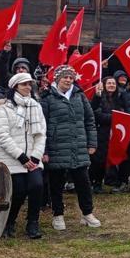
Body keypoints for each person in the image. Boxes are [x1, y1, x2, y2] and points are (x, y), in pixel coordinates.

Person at [40, 65, 100, 230]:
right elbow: (41, 126)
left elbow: (89, 120)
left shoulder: (80, 96)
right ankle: (58, 215)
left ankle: (87, 214)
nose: (68, 80)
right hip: (56, 147)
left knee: (83, 182)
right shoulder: (47, 98)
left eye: (70, 77)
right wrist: (43, 150)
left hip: (78, 145)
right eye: (65, 77)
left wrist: (92, 143)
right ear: (57, 79)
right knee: (56, 184)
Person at [0, 73, 46, 239]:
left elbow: (41, 134)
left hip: (32, 159)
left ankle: (33, 223)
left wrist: (35, 157)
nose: (28, 87)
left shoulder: (36, 107)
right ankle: (10, 221)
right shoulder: (4, 109)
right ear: (15, 86)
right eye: (24, 84)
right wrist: (22, 157)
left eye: (30, 84)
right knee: (19, 190)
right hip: (12, 159)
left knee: (37, 186)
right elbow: (2, 136)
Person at [91, 76, 124, 193]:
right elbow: (98, 115)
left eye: (113, 83)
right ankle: (96, 183)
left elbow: (123, 113)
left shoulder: (119, 99)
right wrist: (116, 118)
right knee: (99, 159)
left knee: (109, 158)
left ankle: (109, 179)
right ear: (104, 85)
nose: (111, 85)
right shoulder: (99, 97)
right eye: (109, 83)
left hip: (115, 133)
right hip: (101, 133)